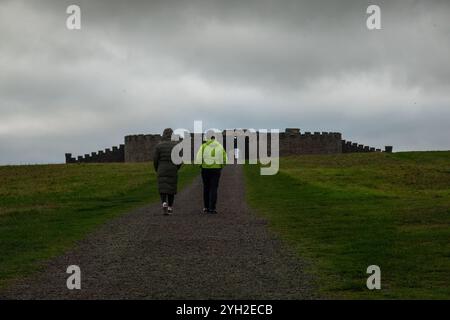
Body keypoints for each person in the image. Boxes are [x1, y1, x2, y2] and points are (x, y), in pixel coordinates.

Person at [196, 135, 227, 214]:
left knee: (206, 188)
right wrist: (221, 166)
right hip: (216, 169)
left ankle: (206, 207)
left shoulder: (203, 146)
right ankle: (212, 208)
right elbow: (225, 159)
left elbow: (198, 158)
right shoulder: (219, 146)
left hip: (205, 169)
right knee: (214, 188)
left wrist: (201, 165)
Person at [154, 128, 181, 215]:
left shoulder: (159, 146)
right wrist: (177, 168)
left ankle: (164, 203)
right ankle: (170, 207)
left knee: (163, 188)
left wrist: (157, 169)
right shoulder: (176, 145)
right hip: (172, 169)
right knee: (171, 188)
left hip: (161, 168)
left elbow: (155, 160)